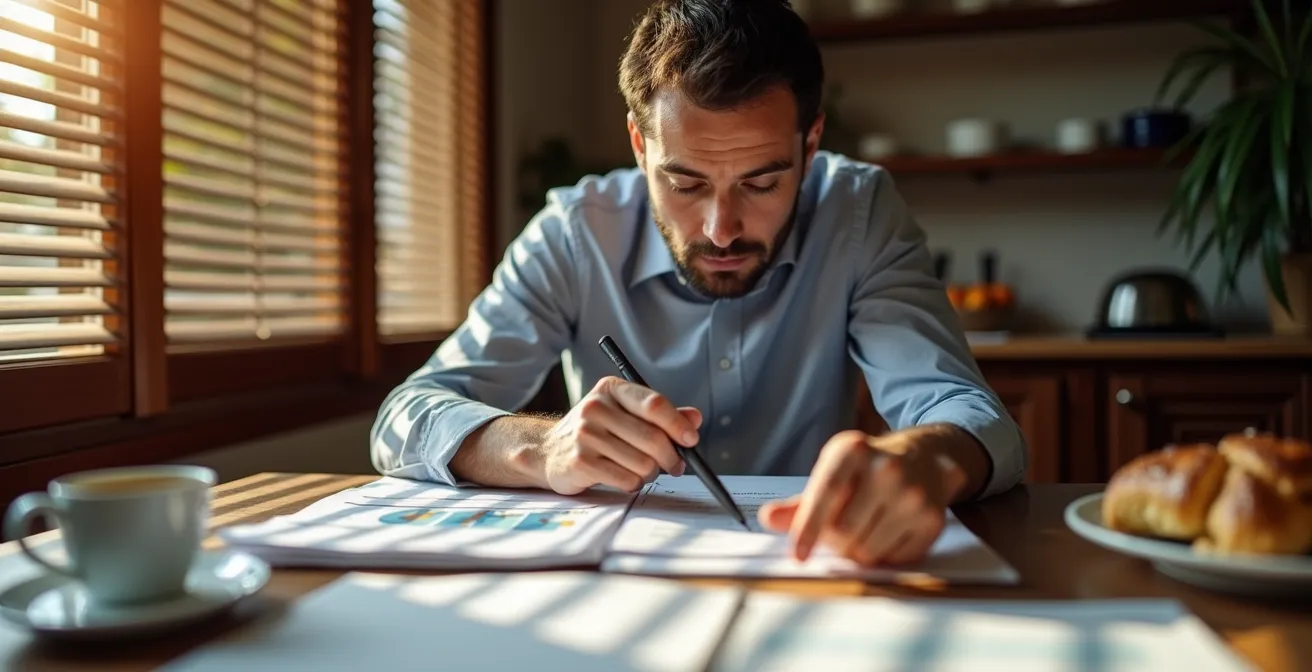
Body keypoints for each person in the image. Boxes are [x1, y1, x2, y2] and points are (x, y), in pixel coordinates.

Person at [371, 0, 1026, 567]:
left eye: (763, 182)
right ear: (639, 144)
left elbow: (968, 414)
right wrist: (541, 447)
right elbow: (405, 418)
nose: (720, 229)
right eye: (684, 183)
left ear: (811, 142)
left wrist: (922, 459)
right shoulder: (575, 233)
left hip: (807, 569)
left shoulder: (857, 213)